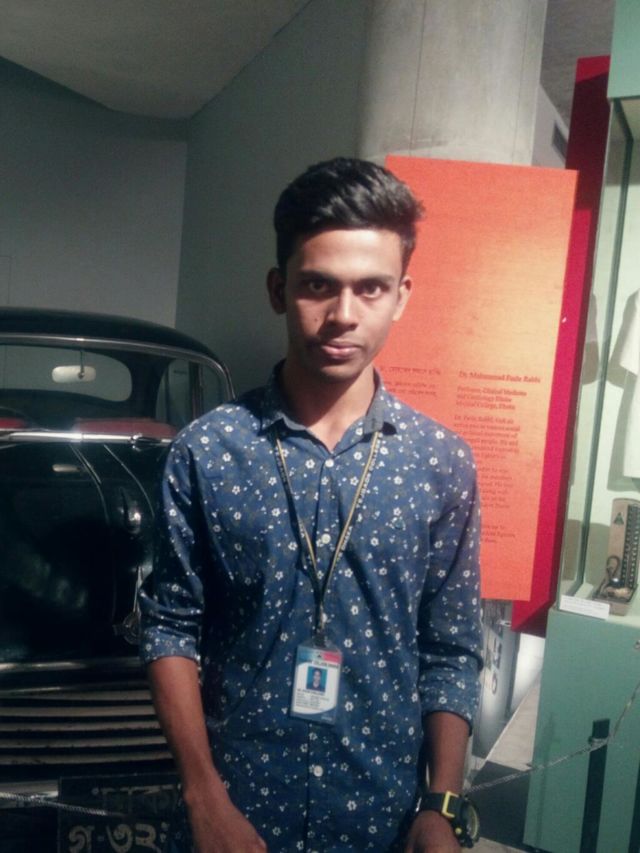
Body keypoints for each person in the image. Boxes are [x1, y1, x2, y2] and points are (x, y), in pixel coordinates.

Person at [139, 157, 483, 852]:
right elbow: (170, 627)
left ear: (401, 296)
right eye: (318, 285)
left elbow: (450, 649)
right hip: (238, 816)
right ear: (279, 289)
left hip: (380, 820)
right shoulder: (209, 451)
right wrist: (203, 797)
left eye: (371, 288)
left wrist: (440, 804)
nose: (343, 316)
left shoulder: (440, 463)